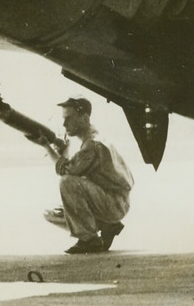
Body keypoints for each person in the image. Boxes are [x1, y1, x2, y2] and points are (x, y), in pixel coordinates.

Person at [44, 97, 133, 254]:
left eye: (69, 118)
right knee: (53, 214)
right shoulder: (94, 139)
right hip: (115, 200)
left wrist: (46, 146)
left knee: (67, 183)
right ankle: (107, 225)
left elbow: (66, 171)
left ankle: (89, 239)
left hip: (115, 204)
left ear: (84, 119)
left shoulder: (92, 145)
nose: (64, 124)